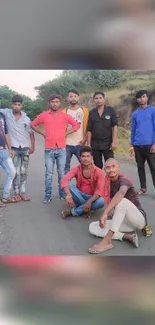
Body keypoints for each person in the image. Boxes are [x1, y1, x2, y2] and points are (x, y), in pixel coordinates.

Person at [89, 158, 152, 254]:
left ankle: (107, 241)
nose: (111, 170)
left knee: (122, 201)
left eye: (113, 167)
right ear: (105, 170)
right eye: (108, 168)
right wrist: (113, 214)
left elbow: (121, 193)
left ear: (118, 168)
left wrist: (105, 213)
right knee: (93, 226)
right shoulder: (108, 183)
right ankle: (126, 236)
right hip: (125, 223)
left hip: (138, 219)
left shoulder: (124, 180)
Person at [31, 94, 80, 203]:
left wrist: (66, 133)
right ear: (49, 103)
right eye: (53, 102)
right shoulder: (44, 115)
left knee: (61, 173)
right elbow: (33, 124)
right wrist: (42, 133)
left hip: (62, 149)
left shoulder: (64, 115)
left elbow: (76, 125)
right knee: (49, 173)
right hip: (49, 149)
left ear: (60, 103)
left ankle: (62, 194)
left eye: (57, 102)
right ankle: (47, 195)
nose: (55, 104)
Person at [0, 95, 35, 202]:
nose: (16, 107)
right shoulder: (6, 114)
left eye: (19, 105)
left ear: (21, 105)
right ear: (11, 105)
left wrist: (32, 145)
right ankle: (16, 194)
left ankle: (22, 193)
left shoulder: (26, 118)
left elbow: (31, 133)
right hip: (13, 149)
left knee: (24, 171)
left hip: (25, 148)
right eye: (14, 104)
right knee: (15, 172)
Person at [61, 146, 105, 218]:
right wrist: (68, 196)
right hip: (79, 195)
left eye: (88, 156)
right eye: (83, 156)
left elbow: (100, 191)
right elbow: (64, 180)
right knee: (68, 184)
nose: (86, 159)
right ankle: (86, 208)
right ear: (80, 157)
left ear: (92, 157)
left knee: (102, 201)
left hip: (92, 197)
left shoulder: (99, 172)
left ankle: (74, 212)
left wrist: (89, 202)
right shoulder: (76, 169)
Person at [130, 90, 155, 196]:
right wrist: (132, 144)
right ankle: (143, 188)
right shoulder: (135, 113)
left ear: (147, 98)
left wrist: (154, 143)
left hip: (150, 144)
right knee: (140, 166)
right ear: (137, 100)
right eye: (139, 97)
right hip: (137, 144)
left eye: (143, 97)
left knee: (153, 167)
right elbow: (133, 129)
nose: (142, 99)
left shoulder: (153, 111)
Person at [87, 91, 118, 169]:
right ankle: (100, 181)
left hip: (108, 144)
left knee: (110, 166)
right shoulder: (91, 113)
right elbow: (89, 129)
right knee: (97, 167)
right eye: (96, 98)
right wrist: (88, 144)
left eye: (100, 98)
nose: (98, 100)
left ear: (104, 99)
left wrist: (114, 142)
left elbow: (115, 126)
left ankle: (111, 181)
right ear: (94, 100)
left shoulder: (110, 110)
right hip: (95, 145)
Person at [63, 89, 89, 173]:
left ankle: (85, 185)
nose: (73, 98)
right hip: (67, 144)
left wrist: (85, 139)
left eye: (75, 96)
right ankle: (66, 185)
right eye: (71, 96)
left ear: (78, 98)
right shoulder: (64, 112)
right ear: (68, 98)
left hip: (80, 143)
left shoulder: (84, 110)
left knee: (85, 165)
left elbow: (88, 126)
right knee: (65, 166)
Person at [0, 112, 16, 207]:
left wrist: (9, 148)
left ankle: (5, 196)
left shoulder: (2, 115)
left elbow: (5, 133)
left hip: (3, 150)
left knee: (12, 172)